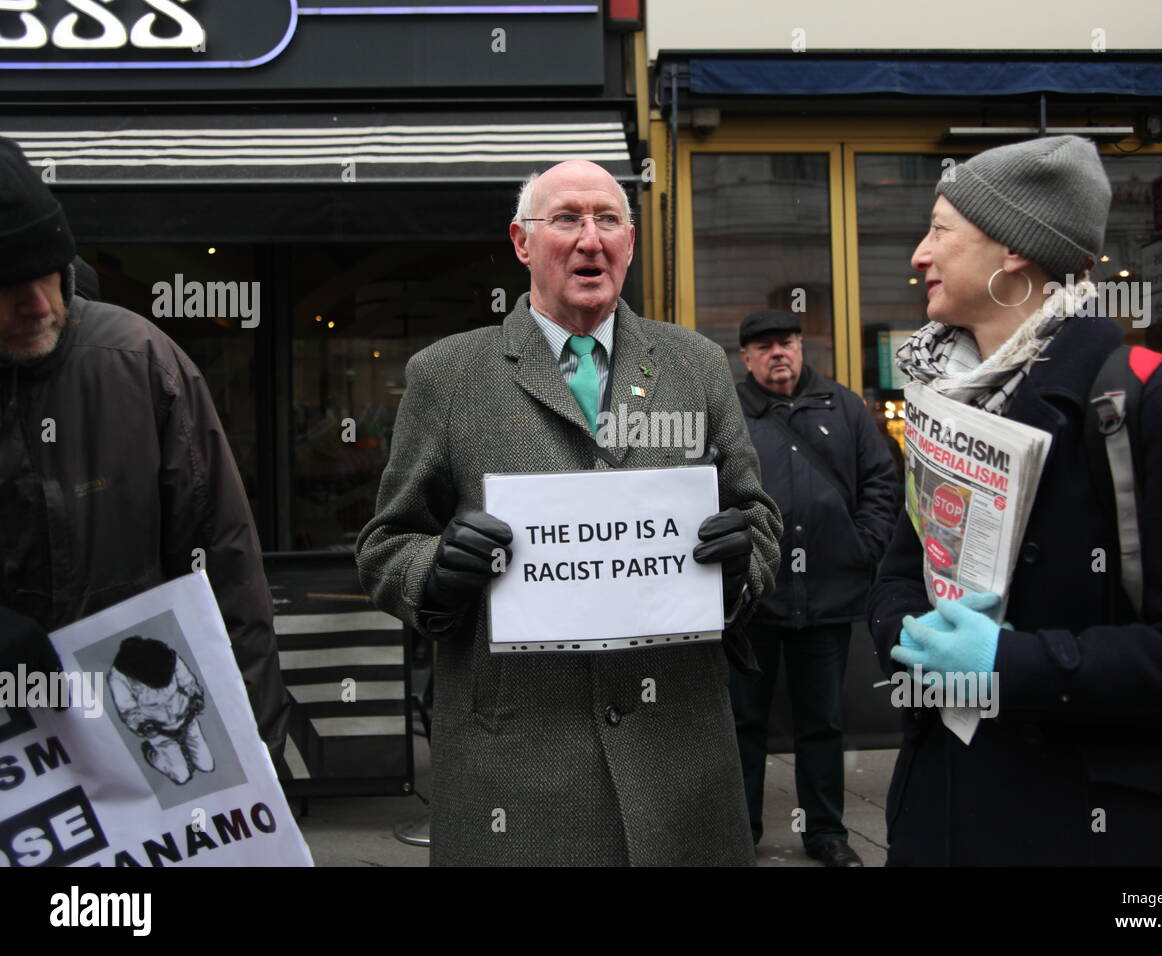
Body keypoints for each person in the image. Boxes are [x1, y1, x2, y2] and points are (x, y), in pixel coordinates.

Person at [356, 160, 782, 866]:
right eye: (567, 219)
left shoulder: (696, 365)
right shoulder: (450, 374)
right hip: (517, 771)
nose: (591, 240)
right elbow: (386, 545)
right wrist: (438, 569)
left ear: (631, 242)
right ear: (522, 243)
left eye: (608, 220)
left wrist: (745, 561)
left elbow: (757, 517)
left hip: (679, 763)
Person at [866, 135, 1162, 865]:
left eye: (938, 230)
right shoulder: (944, 396)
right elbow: (901, 567)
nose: (919, 256)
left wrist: (1009, 664)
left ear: (1013, 251)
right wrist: (909, 635)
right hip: (945, 810)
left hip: (1096, 825)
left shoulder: (1154, 400)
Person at [0, 136, 290, 762]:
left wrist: (256, 750)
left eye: (48, 273)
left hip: (136, 726)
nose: (39, 305)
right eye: (6, 285)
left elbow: (226, 565)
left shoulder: (137, 361)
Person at [730, 309, 898, 867]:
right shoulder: (730, 411)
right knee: (743, 722)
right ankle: (742, 830)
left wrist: (864, 545)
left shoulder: (843, 406)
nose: (779, 353)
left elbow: (881, 479)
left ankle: (826, 832)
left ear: (802, 348)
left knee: (822, 723)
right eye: (765, 347)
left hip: (826, 592)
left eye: (788, 343)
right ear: (747, 358)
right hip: (754, 598)